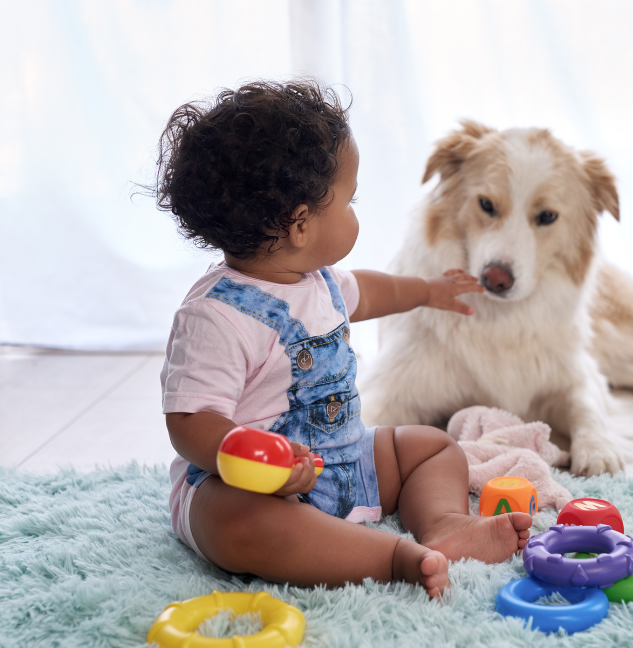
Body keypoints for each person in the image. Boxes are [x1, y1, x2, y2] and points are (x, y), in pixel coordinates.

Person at [154, 79, 532, 599]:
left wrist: (427, 289)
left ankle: (443, 523)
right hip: (250, 488)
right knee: (241, 524)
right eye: (350, 199)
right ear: (301, 224)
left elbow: (372, 293)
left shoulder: (318, 281)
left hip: (342, 459)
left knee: (430, 446)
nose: (356, 211)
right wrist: (259, 460)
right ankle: (391, 558)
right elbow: (189, 421)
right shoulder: (216, 316)